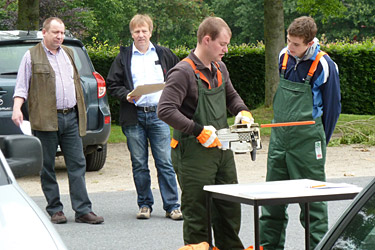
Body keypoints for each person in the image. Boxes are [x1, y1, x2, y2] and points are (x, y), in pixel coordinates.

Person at [158, 16, 254, 249]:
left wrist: (243, 112)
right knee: (198, 217)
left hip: (222, 152)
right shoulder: (183, 72)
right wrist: (198, 130)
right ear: (206, 39)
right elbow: (165, 110)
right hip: (192, 155)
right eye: (222, 44)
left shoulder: (220, 68)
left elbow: (231, 96)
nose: (226, 49)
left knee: (229, 212)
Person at [259, 16, 341, 249]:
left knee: (313, 206)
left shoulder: (325, 65)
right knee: (271, 201)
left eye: (296, 44)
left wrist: (319, 139)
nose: (290, 48)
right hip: (279, 138)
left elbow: (333, 108)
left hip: (307, 140)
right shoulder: (283, 56)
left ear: (310, 42)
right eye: (288, 41)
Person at [12, 17, 104, 224]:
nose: (60, 36)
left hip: (70, 117)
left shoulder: (69, 53)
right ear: (44, 33)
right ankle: (55, 210)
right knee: (47, 166)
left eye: (62, 33)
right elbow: (21, 87)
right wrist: (17, 108)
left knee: (78, 164)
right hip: (45, 120)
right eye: (55, 32)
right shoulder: (31, 56)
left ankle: (83, 210)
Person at [106, 14, 182, 220]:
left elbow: (179, 76)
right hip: (134, 116)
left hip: (159, 115)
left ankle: (173, 206)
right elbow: (112, 84)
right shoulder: (123, 57)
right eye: (137, 31)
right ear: (131, 33)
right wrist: (127, 95)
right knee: (139, 163)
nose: (141, 35)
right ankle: (145, 204)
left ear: (150, 31)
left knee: (165, 162)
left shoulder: (164, 53)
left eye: (144, 31)